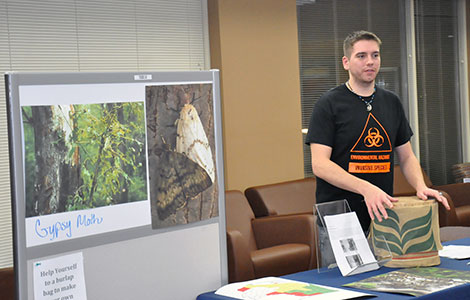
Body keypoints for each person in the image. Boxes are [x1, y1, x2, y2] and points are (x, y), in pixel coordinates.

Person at [305, 30, 450, 237]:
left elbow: (406, 156)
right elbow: (320, 165)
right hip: (341, 219)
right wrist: (366, 188)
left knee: (387, 271)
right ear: (346, 62)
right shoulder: (328, 104)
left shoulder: (391, 102)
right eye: (361, 56)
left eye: (375, 55)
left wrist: (420, 186)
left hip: (382, 216)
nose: (370, 62)